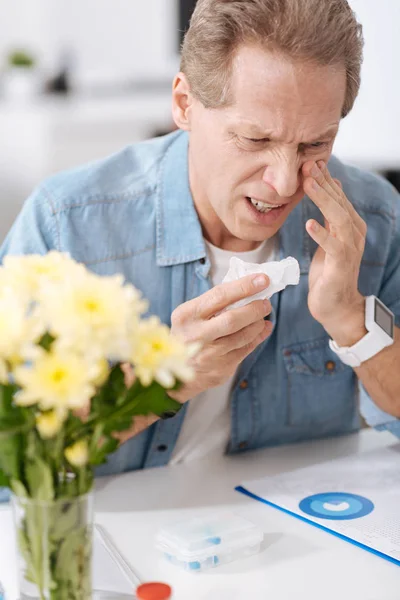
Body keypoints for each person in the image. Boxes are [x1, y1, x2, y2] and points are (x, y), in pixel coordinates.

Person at [1, 0, 399, 481]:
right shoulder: (66, 226)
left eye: (314, 144)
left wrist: (352, 320)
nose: (283, 182)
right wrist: (160, 381)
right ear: (184, 104)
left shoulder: (373, 219)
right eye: (254, 140)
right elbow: (11, 456)